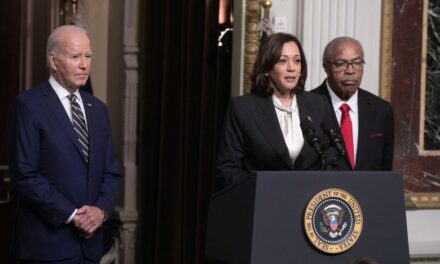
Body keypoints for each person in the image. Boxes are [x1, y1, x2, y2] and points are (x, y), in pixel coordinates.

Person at [6, 25, 121, 263]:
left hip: (90, 248)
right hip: (46, 248)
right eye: (75, 56)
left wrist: (100, 211)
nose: (84, 64)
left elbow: (111, 172)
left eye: (88, 56)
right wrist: (72, 215)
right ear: (53, 60)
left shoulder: (98, 110)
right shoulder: (28, 106)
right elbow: (25, 175)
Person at [216, 33, 334, 189]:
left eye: (297, 61)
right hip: (262, 202)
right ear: (267, 68)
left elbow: (331, 159)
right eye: (283, 61)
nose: (291, 68)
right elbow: (228, 168)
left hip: (309, 202)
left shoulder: (318, 104)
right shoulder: (243, 108)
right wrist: (265, 188)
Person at [311, 36, 394, 171]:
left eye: (357, 63)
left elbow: (385, 170)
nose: (350, 71)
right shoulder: (307, 106)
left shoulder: (381, 110)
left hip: (367, 190)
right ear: (326, 67)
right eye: (341, 64)